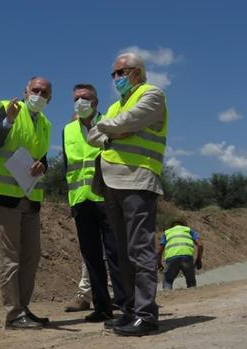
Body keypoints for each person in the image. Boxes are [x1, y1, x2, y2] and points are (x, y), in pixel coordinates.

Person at [88, 52, 168, 336]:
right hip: (111, 182)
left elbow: (132, 120)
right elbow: (92, 136)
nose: (116, 78)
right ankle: (131, 311)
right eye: (114, 74)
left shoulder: (152, 94)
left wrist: (108, 127)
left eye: (121, 72)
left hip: (138, 179)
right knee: (123, 252)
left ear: (137, 72)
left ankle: (146, 315)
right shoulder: (113, 106)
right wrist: (113, 131)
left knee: (140, 249)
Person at [0, 76, 52, 330]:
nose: (39, 94)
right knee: (9, 257)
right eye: (36, 90)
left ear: (50, 99)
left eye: (44, 92)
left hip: (30, 197)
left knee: (31, 256)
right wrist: (8, 120)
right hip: (4, 195)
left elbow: (43, 158)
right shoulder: (8, 108)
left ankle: (23, 308)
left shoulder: (45, 124)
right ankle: (13, 314)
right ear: (25, 91)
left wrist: (41, 166)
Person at [62, 84, 125, 322]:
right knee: (91, 255)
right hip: (80, 200)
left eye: (85, 98)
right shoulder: (67, 130)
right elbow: (68, 166)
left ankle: (124, 303)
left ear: (95, 102)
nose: (80, 102)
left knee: (115, 253)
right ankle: (102, 307)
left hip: (107, 198)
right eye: (76, 98)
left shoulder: (108, 123)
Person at [157, 219, 204, 290]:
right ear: (183, 225)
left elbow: (159, 251)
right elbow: (200, 245)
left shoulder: (167, 232)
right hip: (187, 258)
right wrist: (198, 260)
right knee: (191, 283)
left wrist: (159, 263)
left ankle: (168, 296)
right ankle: (193, 298)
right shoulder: (188, 230)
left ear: (171, 226)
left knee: (168, 281)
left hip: (171, 259)